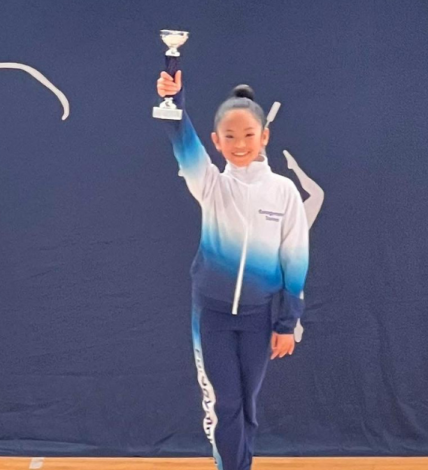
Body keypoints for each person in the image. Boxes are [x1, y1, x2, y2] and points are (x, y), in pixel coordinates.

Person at [157, 70, 309, 470]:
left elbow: (295, 258)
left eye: (248, 135)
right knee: (226, 403)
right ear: (216, 141)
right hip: (213, 316)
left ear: (264, 137)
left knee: (248, 404)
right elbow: (182, 143)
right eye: (229, 136)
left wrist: (286, 322)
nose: (239, 144)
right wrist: (174, 100)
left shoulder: (283, 192)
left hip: (259, 318)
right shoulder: (210, 185)